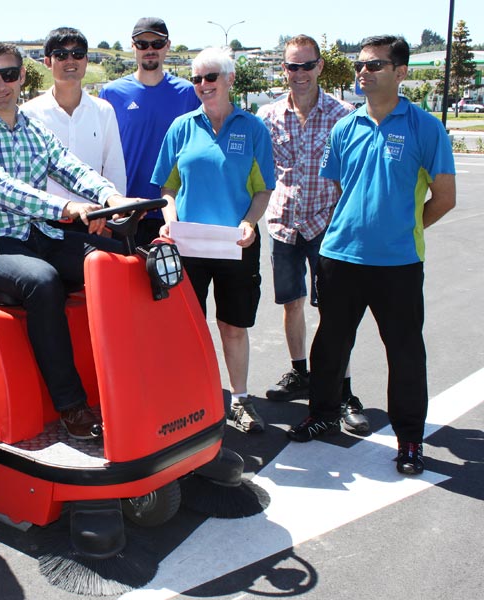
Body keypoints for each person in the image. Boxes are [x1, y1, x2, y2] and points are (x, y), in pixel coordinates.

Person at [0, 42, 138, 441]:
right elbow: (1, 188)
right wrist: (64, 207)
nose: (1, 85)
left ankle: (134, 381)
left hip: (36, 233)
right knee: (43, 280)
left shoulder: (34, 129)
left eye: (9, 75)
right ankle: (70, 406)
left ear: (22, 76)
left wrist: (109, 197)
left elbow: (69, 167)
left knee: (121, 261)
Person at [287, 36, 456, 476]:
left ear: (400, 72)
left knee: (403, 353)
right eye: (361, 65)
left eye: (375, 65)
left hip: (398, 264)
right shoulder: (346, 127)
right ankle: (322, 412)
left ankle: (409, 439)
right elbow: (342, 190)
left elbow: (445, 197)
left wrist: (406, 227)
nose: (364, 72)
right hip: (340, 256)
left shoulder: (425, 127)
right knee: (330, 344)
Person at [151, 47, 275, 434]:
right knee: (187, 327)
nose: (203, 85)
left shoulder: (253, 129)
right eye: (197, 79)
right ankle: (189, 400)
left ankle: (239, 400)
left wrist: (250, 224)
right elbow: (167, 189)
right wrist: (169, 222)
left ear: (230, 80)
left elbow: (263, 191)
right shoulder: (181, 127)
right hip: (188, 246)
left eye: (211, 77)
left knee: (233, 326)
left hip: (235, 246)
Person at [256, 35, 369, 435]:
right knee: (291, 304)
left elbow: (354, 177)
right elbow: (258, 171)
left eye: (307, 66)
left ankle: (343, 390)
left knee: (334, 312)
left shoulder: (343, 115)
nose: (299, 74)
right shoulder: (268, 116)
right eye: (292, 66)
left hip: (328, 226)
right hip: (285, 224)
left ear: (320, 67)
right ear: (283, 69)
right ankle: (300, 372)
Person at [100, 17, 200, 245]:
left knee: (173, 280)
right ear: (133, 47)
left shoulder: (188, 93)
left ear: (167, 46)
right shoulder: (111, 94)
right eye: (142, 44)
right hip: (127, 211)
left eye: (156, 43)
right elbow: (101, 155)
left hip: (174, 212)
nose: (150, 50)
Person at [21, 26, 126, 225]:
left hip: (95, 220)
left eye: (77, 54)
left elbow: (114, 169)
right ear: (47, 62)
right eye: (61, 55)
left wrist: (114, 218)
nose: (70, 60)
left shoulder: (104, 111)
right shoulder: (28, 114)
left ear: (86, 60)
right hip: (45, 222)